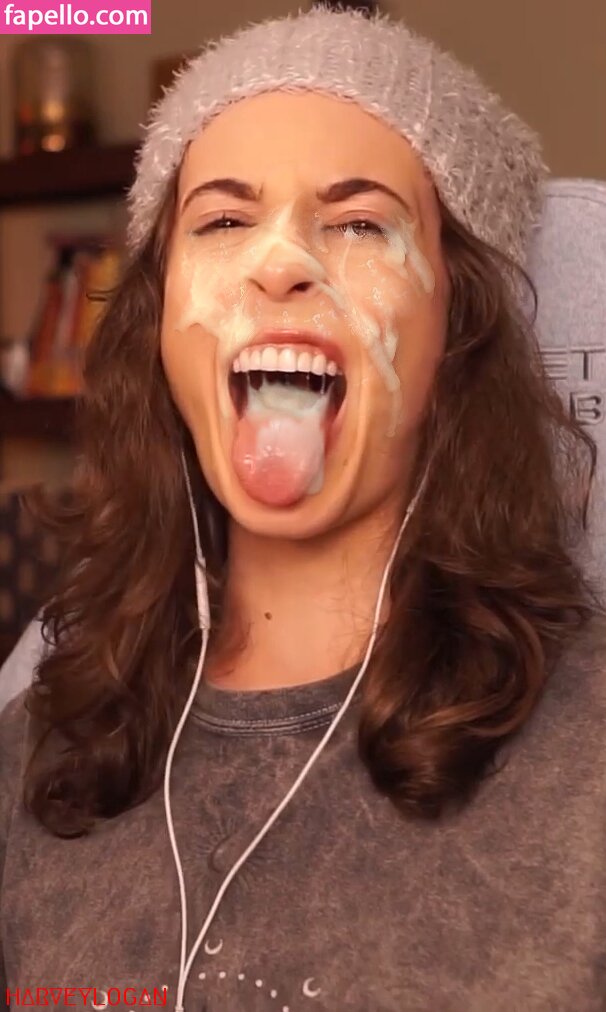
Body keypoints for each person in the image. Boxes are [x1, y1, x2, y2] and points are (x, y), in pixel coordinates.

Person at [1, 6, 604, 1010]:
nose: (279, 262)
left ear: (458, 328)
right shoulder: (33, 750)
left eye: (360, 222)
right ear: (160, 324)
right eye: (223, 221)